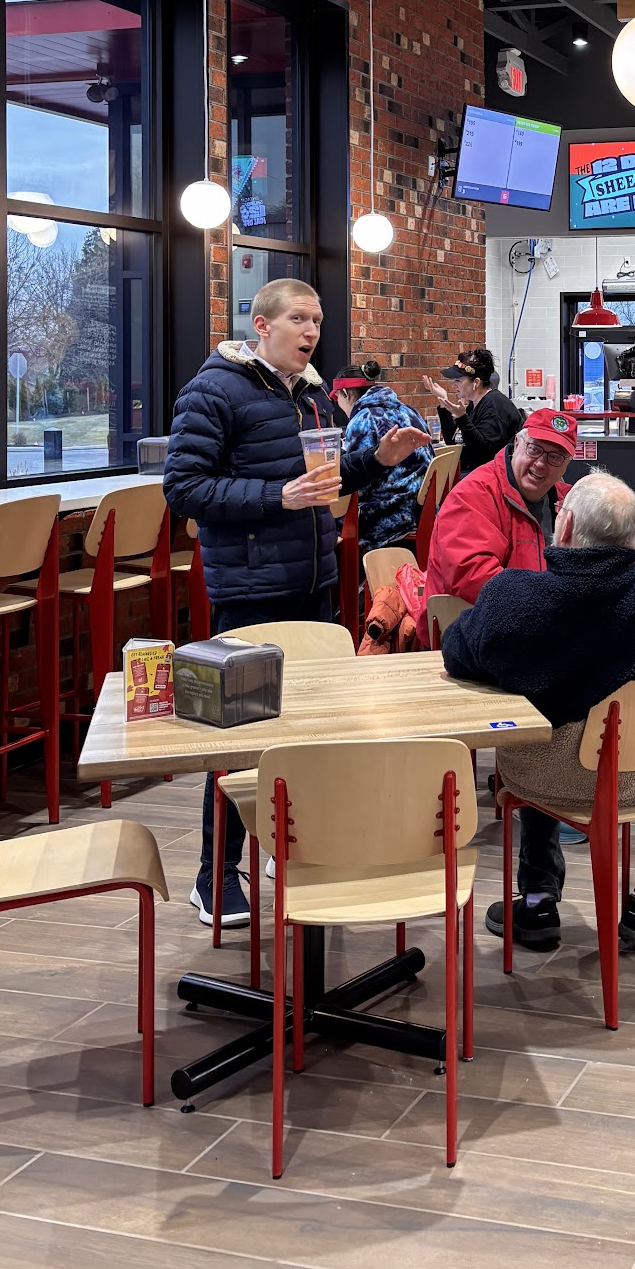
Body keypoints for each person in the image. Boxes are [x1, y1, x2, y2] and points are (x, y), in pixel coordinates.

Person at [163, 279, 431, 927]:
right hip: (251, 588)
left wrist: (377, 460)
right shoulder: (213, 391)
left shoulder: (312, 395)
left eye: (317, 319)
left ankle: (291, 841)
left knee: (308, 729)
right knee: (239, 734)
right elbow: (184, 488)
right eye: (299, 319)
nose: (312, 330)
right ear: (261, 325)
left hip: (314, 582)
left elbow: (326, 481)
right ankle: (214, 875)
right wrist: (273, 498)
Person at [442, 472, 635, 951]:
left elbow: (456, 652)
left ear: (563, 527)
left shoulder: (512, 596)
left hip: (537, 777)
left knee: (544, 724)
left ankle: (538, 899)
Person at [427, 407, 574, 605]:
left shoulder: (569, 502)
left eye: (555, 457)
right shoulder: (472, 495)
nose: (541, 463)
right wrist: (546, 598)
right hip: (473, 620)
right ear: (517, 444)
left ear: (566, 465)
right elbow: (471, 577)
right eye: (534, 449)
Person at [333, 360, 433, 550]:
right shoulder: (408, 410)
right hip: (422, 509)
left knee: (324, 523)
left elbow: (358, 486)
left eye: (336, 397)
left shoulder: (363, 419)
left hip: (392, 516)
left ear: (345, 393)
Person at [423, 348, 522, 476]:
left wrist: (462, 418)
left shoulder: (495, 405)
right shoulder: (474, 405)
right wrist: (443, 402)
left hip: (494, 477)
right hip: (476, 473)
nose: (453, 385)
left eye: (458, 380)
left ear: (476, 382)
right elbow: (454, 443)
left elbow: (485, 453)